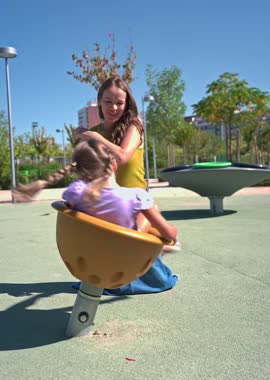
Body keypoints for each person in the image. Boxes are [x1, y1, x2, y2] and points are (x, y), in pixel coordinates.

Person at [13, 140, 179, 295]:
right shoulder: (136, 196)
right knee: (151, 212)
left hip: (88, 260)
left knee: (123, 219)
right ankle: (160, 248)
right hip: (126, 261)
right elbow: (170, 234)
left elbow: (79, 206)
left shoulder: (75, 192)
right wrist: (170, 236)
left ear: (78, 170)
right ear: (114, 165)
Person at [75, 76, 180, 240]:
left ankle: (155, 219)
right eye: (108, 101)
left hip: (138, 205)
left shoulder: (134, 125)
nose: (114, 107)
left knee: (132, 243)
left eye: (120, 103)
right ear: (100, 102)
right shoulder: (93, 132)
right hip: (109, 203)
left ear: (127, 104)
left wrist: (97, 138)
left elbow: (122, 156)